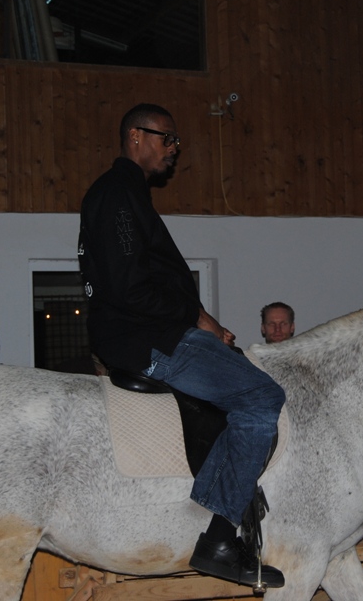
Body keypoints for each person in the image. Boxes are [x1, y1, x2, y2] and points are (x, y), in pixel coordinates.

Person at [77, 103, 286, 588]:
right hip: (148, 337)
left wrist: (202, 319)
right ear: (135, 136)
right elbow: (131, 289)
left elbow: (145, 281)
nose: (173, 149)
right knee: (262, 397)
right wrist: (193, 318)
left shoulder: (126, 193)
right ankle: (219, 540)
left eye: (176, 141)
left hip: (148, 330)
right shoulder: (118, 194)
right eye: (166, 138)